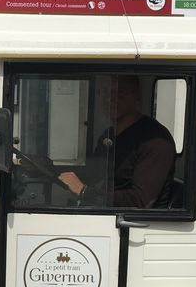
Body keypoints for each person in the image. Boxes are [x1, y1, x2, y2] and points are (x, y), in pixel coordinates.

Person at [58, 75, 176, 208]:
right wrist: (51, 169)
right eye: (105, 92)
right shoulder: (108, 136)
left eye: (120, 92)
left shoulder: (155, 140)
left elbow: (140, 201)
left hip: (137, 225)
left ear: (136, 95)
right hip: (107, 217)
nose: (110, 98)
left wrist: (85, 191)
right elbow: (93, 174)